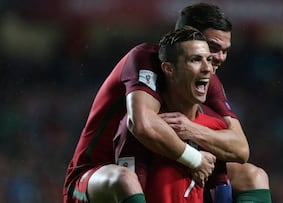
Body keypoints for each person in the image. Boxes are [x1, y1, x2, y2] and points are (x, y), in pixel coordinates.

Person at [63, 2, 271, 203]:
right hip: (102, 172)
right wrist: (195, 159)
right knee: (124, 179)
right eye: (213, 47)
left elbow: (240, 148)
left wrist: (190, 129)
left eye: (225, 50)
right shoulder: (145, 59)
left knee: (253, 176)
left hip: (162, 161)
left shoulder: (208, 78)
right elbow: (140, 125)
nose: (219, 58)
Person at [115, 26, 230, 203]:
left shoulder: (215, 128)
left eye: (208, 59)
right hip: (89, 177)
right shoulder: (145, 128)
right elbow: (130, 185)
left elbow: (221, 190)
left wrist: (193, 132)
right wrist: (194, 159)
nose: (208, 68)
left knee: (254, 174)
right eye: (195, 60)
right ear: (169, 69)